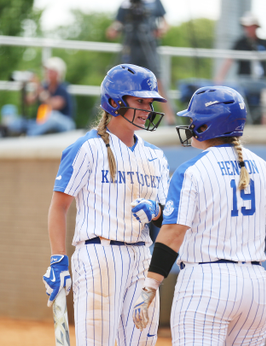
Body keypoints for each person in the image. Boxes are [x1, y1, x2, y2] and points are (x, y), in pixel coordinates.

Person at [132, 86, 266, 345]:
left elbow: (173, 232)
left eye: (193, 120)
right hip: (254, 287)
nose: (189, 125)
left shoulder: (192, 170)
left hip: (205, 285)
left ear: (206, 126)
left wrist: (150, 285)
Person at [42, 63, 170, 346]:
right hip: (99, 255)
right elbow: (59, 206)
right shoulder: (86, 147)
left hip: (142, 257)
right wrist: (57, 258)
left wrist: (158, 211)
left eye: (150, 102)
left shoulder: (156, 157)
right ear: (114, 102)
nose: (148, 109)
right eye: (140, 101)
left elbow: (166, 215)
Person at [214, 12, 266, 125]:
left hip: (261, 81)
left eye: (250, 26)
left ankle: (265, 124)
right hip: (244, 81)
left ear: (256, 27)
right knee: (238, 95)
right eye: (246, 26)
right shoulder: (240, 43)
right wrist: (219, 78)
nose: (248, 29)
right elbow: (228, 61)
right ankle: (240, 122)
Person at [106, 0, 176, 124]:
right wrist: (114, 30)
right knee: (126, 79)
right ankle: (120, 115)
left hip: (149, 44)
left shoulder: (155, 2)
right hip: (131, 46)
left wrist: (160, 31)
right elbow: (117, 24)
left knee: (157, 79)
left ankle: (170, 118)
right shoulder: (126, 4)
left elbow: (165, 23)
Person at [3, 57, 76, 136]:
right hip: (42, 122)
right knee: (18, 121)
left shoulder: (63, 88)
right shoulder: (44, 87)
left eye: (50, 71)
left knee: (52, 116)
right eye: (46, 70)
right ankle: (29, 132)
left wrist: (38, 86)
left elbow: (53, 106)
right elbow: (28, 101)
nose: (47, 73)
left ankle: (30, 135)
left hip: (65, 123)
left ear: (58, 73)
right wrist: (23, 86)